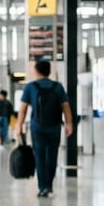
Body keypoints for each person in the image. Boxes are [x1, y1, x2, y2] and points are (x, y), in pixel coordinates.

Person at [17, 59, 74, 198]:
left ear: (36, 71)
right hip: (55, 126)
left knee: (40, 156)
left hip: (37, 127)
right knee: (52, 156)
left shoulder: (31, 87)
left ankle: (43, 187)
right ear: (49, 71)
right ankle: (49, 186)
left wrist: (18, 126)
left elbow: (23, 109)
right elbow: (66, 107)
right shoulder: (58, 87)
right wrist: (69, 124)